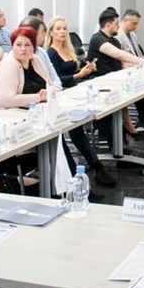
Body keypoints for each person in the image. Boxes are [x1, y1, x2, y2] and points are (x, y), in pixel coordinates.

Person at [45, 15, 117, 187]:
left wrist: (87, 68)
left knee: (84, 125)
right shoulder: (51, 53)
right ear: (51, 33)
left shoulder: (68, 50)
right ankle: (95, 166)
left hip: (75, 92)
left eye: (64, 28)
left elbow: (76, 70)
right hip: (62, 96)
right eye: (58, 29)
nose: (62, 32)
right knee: (76, 130)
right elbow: (57, 80)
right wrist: (78, 75)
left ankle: (97, 163)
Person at [87, 9, 144, 139]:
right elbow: (117, 54)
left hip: (115, 80)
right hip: (101, 83)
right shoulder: (97, 39)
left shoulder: (114, 41)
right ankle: (119, 136)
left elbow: (122, 61)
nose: (118, 26)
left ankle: (129, 127)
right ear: (108, 24)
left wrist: (132, 66)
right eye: (116, 23)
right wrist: (142, 62)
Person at [0, 27, 56, 115]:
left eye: (27, 45)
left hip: (28, 112)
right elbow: (8, 100)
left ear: (34, 47)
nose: (23, 49)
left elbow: (51, 85)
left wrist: (47, 91)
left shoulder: (35, 60)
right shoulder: (8, 65)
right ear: (12, 46)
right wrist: (39, 97)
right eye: (18, 45)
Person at [116, 9, 144, 126]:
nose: (136, 26)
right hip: (127, 70)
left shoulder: (133, 35)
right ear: (125, 20)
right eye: (134, 23)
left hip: (137, 67)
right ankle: (143, 116)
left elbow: (138, 54)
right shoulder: (118, 36)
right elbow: (122, 57)